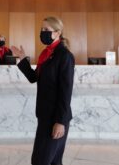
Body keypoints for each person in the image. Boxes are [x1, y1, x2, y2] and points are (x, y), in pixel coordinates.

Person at [11, 16, 75, 165]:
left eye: (46, 30)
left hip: (56, 118)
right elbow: (34, 77)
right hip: (44, 116)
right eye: (41, 29)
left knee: (40, 161)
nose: (43, 32)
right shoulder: (46, 54)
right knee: (53, 161)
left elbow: (66, 92)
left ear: (58, 33)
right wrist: (22, 59)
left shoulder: (64, 56)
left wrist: (60, 121)